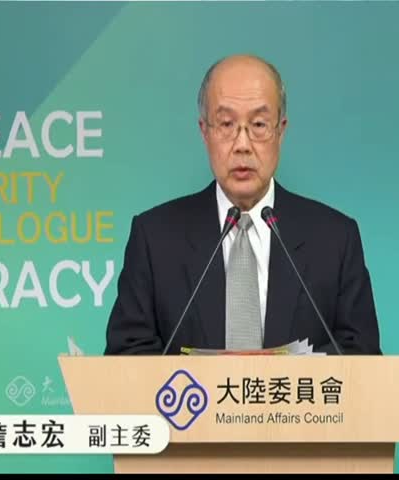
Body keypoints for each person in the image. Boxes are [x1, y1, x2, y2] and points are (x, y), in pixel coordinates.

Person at [104, 54, 382, 355]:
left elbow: (361, 356)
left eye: (259, 124)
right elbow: (127, 356)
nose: (242, 145)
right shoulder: (154, 238)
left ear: (281, 130)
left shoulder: (335, 239)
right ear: (204, 131)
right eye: (226, 124)